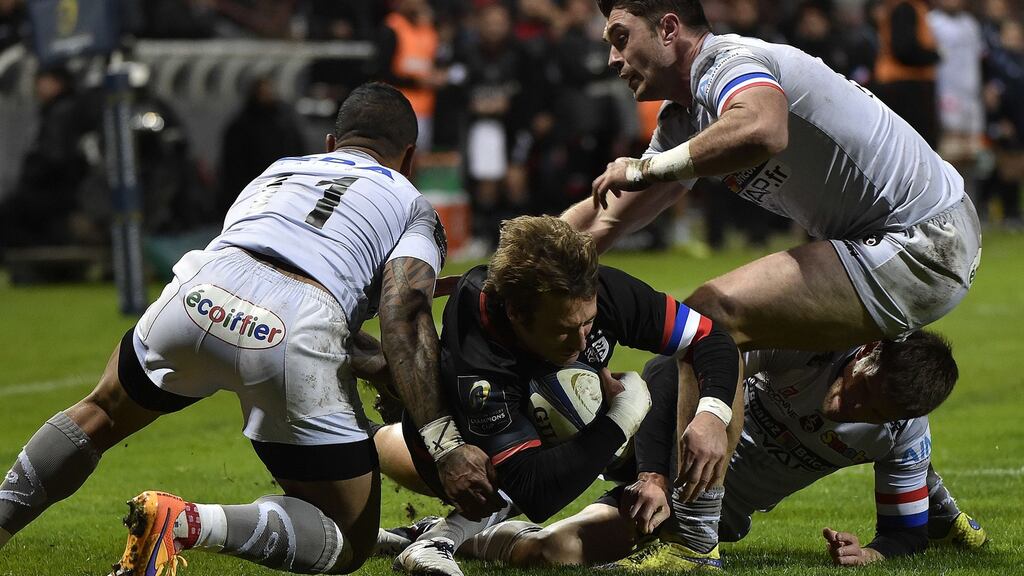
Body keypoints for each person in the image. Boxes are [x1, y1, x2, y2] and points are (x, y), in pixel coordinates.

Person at [0, 82, 503, 575]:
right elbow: (405, 312)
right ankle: (186, 523)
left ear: (331, 143)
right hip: (295, 330)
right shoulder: (412, 203)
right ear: (409, 157)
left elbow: (267, 279)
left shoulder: (280, 170)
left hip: (199, 290)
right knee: (350, 537)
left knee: (99, 413)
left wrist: (369, 362)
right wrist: (446, 442)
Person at [564, 0, 982, 353]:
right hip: (882, 238)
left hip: (921, 238)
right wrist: (516, 268)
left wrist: (647, 167)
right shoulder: (683, 118)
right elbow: (608, 216)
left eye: (621, 39)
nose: (613, 60)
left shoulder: (728, 62)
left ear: (669, 29)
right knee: (748, 374)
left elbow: (763, 129)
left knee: (706, 321)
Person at [369, 215, 743, 576]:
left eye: (589, 322)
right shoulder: (480, 351)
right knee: (508, 493)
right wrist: (621, 418)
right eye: (564, 330)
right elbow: (535, 492)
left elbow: (710, 338)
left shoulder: (598, 291)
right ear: (516, 313)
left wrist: (710, 416)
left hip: (580, 446)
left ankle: (437, 535)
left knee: (560, 546)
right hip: (462, 461)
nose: (581, 341)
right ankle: (366, 440)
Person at [426, 331, 986, 570]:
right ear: (868, 352)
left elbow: (905, 532)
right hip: (660, 464)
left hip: (713, 519)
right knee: (566, 409)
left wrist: (871, 555)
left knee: (546, 555)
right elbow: (679, 363)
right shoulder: (814, 346)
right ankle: (438, 506)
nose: (846, 406)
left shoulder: (903, 434)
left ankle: (441, 538)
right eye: (859, 387)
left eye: (871, 411)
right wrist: (653, 474)